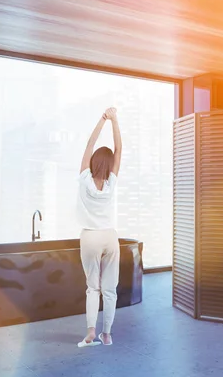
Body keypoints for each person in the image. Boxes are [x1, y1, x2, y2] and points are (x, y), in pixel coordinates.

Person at [76, 107, 122, 348]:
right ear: (110, 164)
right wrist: (115, 120)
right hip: (110, 237)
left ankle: (91, 332)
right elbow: (119, 149)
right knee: (110, 289)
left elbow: (89, 143)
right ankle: (107, 334)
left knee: (92, 287)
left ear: (93, 161)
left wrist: (102, 119)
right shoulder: (111, 183)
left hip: (90, 237)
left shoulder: (84, 178)